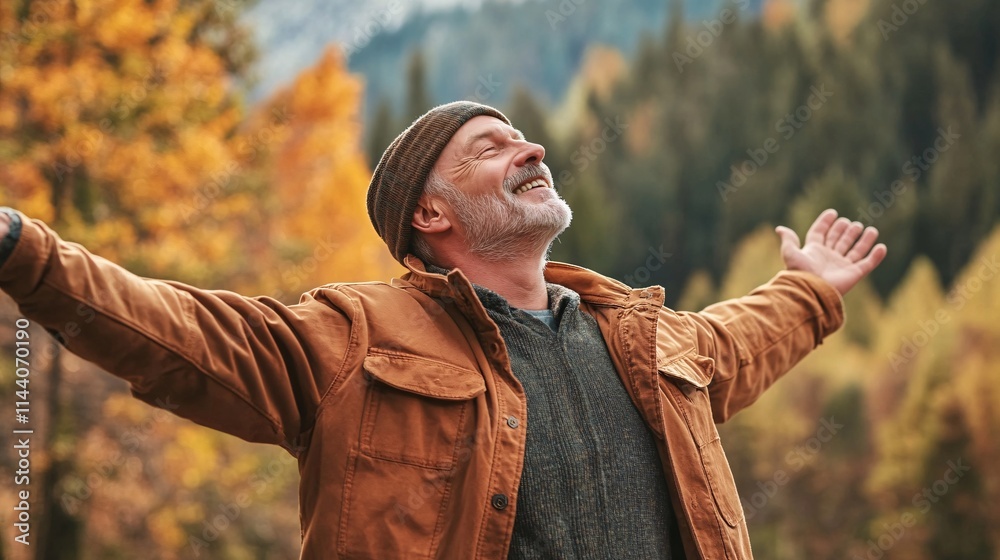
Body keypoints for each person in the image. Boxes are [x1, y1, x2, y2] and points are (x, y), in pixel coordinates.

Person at [0, 101, 886, 559]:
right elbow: (176, 331)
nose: (532, 150)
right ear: (431, 210)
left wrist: (808, 290)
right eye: (494, 148)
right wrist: (20, 249)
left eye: (528, 139)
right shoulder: (350, 338)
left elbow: (740, 337)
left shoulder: (645, 338)